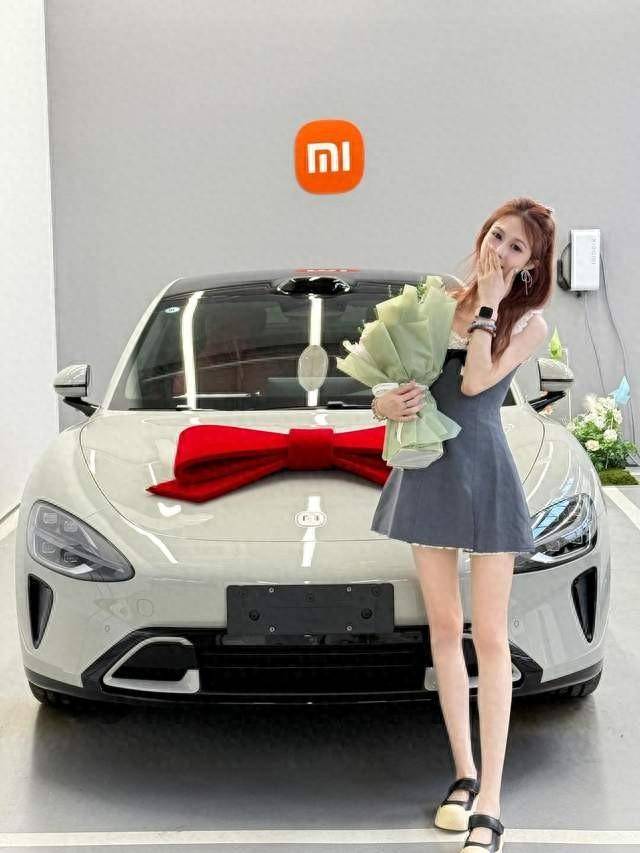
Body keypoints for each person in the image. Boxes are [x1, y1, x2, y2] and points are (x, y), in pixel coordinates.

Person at [370, 197, 555, 853]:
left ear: (530, 267)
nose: (498, 252)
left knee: (491, 638)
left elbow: (475, 383)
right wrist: (385, 402)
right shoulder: (434, 301)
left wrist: (489, 307)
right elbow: (388, 385)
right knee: (445, 630)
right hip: (428, 471)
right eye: (496, 236)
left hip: (485, 475)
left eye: (515, 248)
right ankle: (464, 774)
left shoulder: (527, 322)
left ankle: (492, 802)